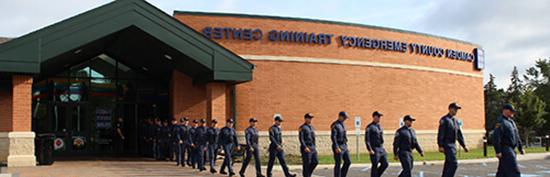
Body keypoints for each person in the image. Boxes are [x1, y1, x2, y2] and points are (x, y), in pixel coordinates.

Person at [438, 103, 469, 177]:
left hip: (453, 145)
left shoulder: (455, 121)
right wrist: (440, 145)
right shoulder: (444, 120)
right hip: (447, 144)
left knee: (448, 164)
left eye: (457, 109)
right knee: (453, 164)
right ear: (450, 109)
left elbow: (459, 134)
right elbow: (441, 133)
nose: (456, 111)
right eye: (455, 109)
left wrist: (464, 145)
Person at [493, 104, 524, 177]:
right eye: (511, 111)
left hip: (512, 149)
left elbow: (517, 135)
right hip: (506, 149)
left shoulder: (511, 122)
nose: (512, 113)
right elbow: (496, 137)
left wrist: (520, 147)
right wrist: (498, 151)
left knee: (502, 172)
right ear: (505, 110)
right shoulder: (501, 122)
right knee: (514, 171)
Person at [365, 111, 388, 177]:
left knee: (385, 164)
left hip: (381, 148)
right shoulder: (369, 127)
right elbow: (367, 140)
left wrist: (383, 148)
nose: (379, 118)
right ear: (374, 117)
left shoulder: (379, 126)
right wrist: (370, 149)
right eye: (378, 117)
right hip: (374, 149)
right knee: (375, 165)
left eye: (379, 117)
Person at [331, 111, 351, 177]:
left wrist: (346, 146)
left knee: (348, 162)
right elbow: (333, 137)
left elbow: (344, 136)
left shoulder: (343, 125)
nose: (345, 119)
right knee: (338, 163)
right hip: (338, 146)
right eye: (344, 117)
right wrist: (336, 147)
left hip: (344, 145)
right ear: (340, 116)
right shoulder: (335, 125)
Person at [299, 113, 318, 177]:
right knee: (306, 164)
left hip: (312, 147)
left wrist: (314, 146)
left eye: (311, 118)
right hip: (306, 147)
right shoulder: (302, 127)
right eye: (309, 118)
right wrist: (305, 147)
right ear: (305, 119)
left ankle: (308, 174)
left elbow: (313, 137)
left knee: (315, 162)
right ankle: (306, 175)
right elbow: (301, 139)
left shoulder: (311, 127)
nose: (310, 120)